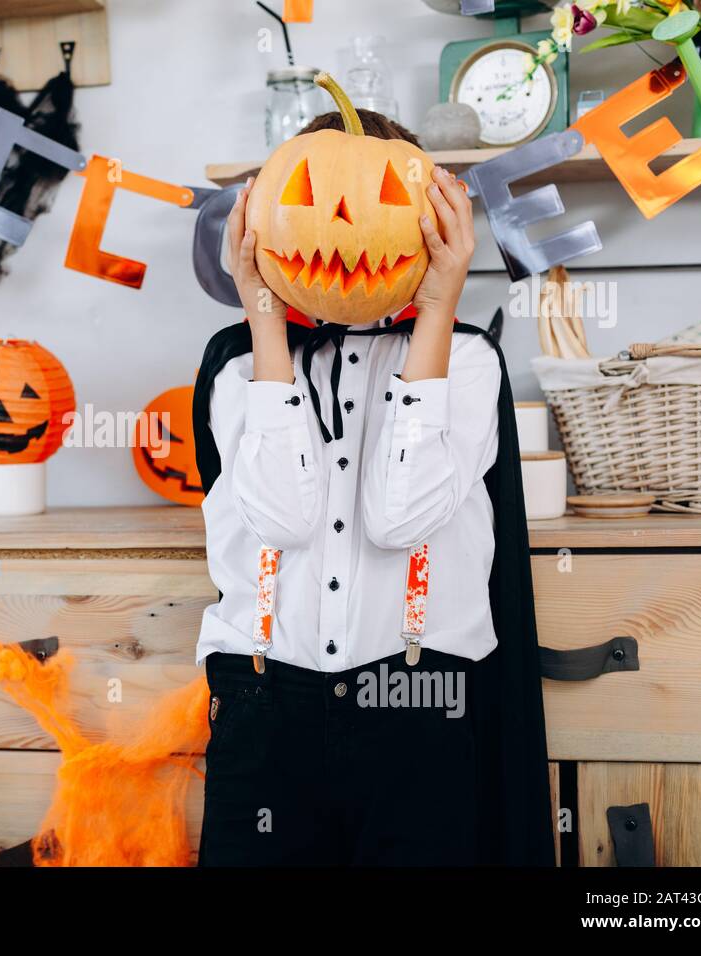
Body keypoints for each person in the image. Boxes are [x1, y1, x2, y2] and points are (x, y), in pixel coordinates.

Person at [192, 109, 554, 866]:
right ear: (263, 219)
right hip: (264, 706)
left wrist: (438, 306)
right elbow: (280, 519)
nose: (348, 219)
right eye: (312, 196)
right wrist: (261, 308)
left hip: (418, 702)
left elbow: (400, 520)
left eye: (386, 197)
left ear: (430, 225)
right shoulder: (235, 369)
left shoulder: (468, 363)